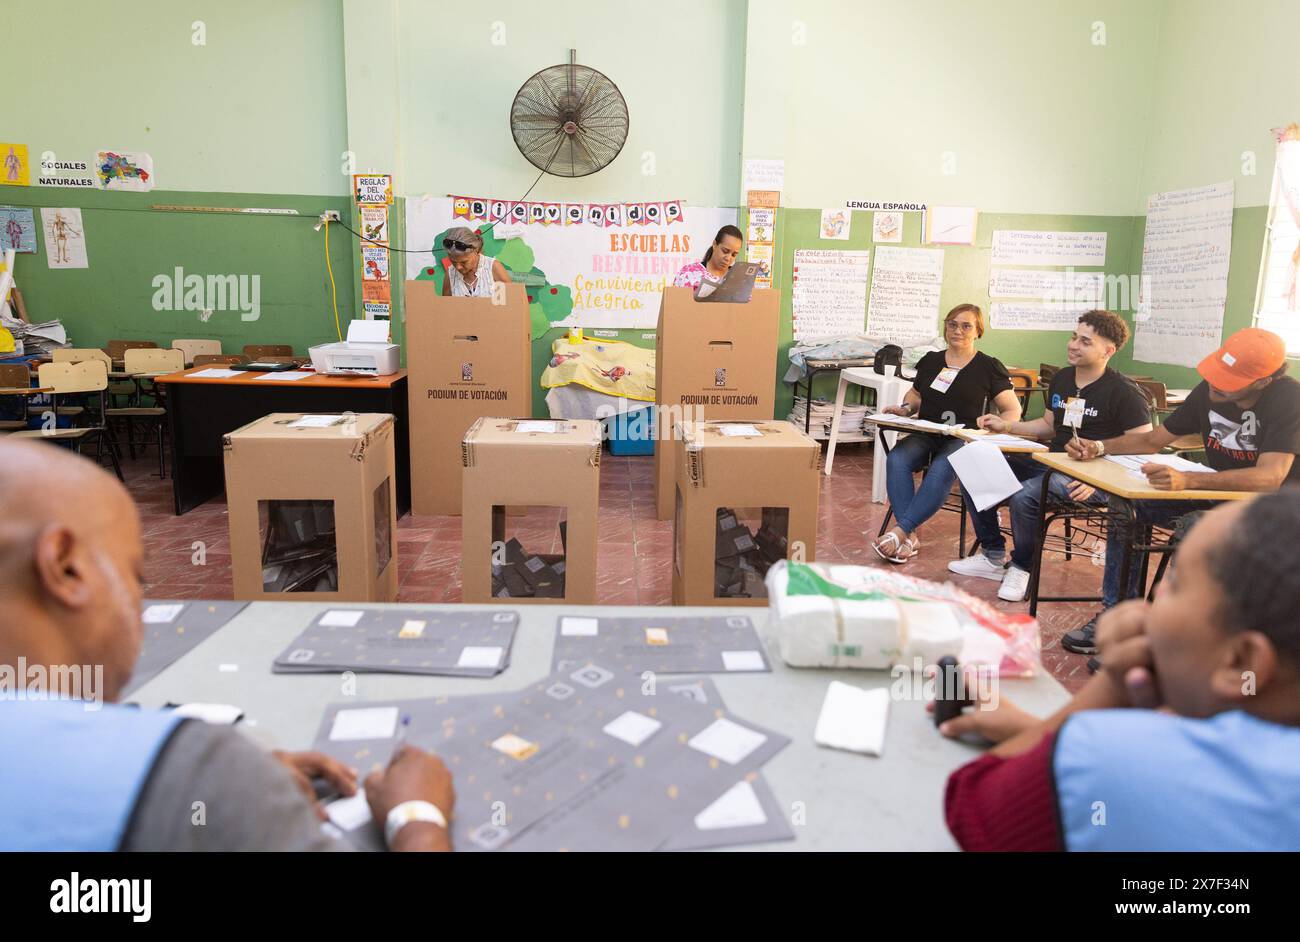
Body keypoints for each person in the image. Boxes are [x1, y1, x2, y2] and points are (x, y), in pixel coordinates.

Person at [0, 441, 455, 851]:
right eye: (136, 577)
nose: (140, 604)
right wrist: (416, 817)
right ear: (65, 568)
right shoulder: (192, 774)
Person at [941, 492, 1300, 851]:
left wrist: (1111, 688)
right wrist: (1036, 731)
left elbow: (973, 805)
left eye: (1176, 583)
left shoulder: (1113, 762)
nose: (1156, 590)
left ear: (1240, 662)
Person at [1060, 327, 1300, 656]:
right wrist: (1099, 446)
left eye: (1230, 379)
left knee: (1194, 526)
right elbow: (1152, 440)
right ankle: (1120, 617)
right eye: (1218, 371)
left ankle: (1173, 636)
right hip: (1225, 496)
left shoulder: (1289, 400)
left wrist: (1187, 480)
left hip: (1277, 512)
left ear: (1263, 382)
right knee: (1125, 506)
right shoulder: (1210, 389)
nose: (1217, 382)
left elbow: (1269, 478)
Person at [947, 310, 1151, 601]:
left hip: (1093, 478)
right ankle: (992, 554)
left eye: (1085, 341)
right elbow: (1048, 426)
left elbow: (1143, 445)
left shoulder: (1124, 392)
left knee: (1026, 495)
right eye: (1073, 337)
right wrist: (1007, 425)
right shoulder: (1063, 379)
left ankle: (1021, 566)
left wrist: (1101, 478)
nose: (1073, 345)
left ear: (1108, 350)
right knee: (972, 463)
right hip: (1053, 462)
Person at [871, 304, 1021, 564]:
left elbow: (1012, 410)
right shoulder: (931, 361)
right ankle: (910, 536)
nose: (957, 330)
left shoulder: (989, 367)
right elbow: (916, 394)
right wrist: (905, 408)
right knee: (897, 459)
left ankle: (901, 531)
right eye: (952, 324)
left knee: (943, 467)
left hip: (963, 438)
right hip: (928, 431)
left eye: (966, 326)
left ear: (978, 331)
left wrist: (998, 426)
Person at [440, 225, 511, 298]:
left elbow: (512, 301)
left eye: (463, 262)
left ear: (476, 251)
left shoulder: (492, 267)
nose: (458, 267)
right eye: (453, 262)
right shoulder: (450, 273)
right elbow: (446, 306)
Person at [673, 225, 743, 292]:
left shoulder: (740, 280)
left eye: (734, 255)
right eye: (725, 251)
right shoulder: (689, 274)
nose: (728, 258)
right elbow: (676, 302)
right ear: (715, 244)